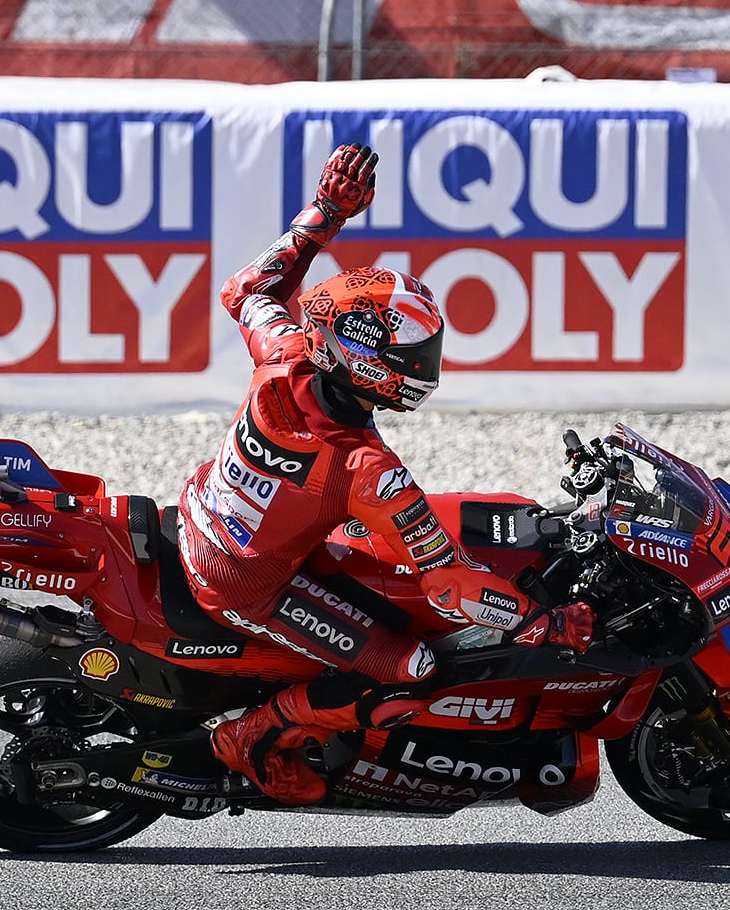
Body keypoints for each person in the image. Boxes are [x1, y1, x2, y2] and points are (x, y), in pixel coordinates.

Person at [192, 142, 590, 808]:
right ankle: (252, 734)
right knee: (413, 670)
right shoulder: (367, 469)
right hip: (246, 581)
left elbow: (247, 290)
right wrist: (540, 623)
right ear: (362, 359)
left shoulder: (286, 349)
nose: (425, 364)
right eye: (412, 353)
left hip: (211, 512)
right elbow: (452, 584)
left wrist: (326, 212)